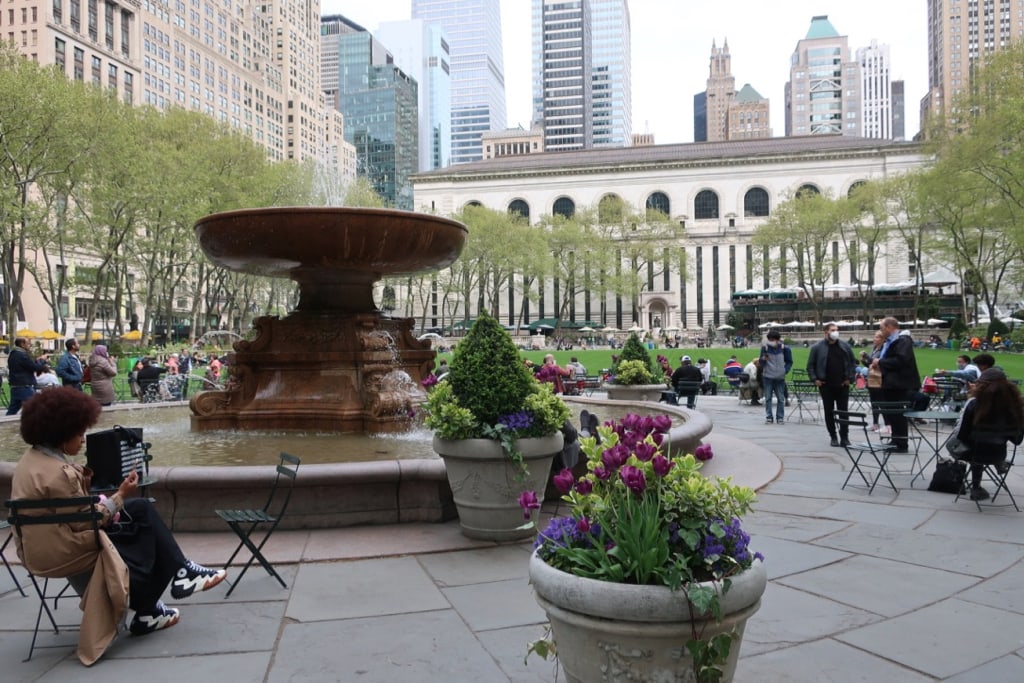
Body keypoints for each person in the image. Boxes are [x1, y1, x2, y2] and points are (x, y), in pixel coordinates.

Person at [9, 387, 227, 665]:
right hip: (62, 549)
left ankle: (162, 595)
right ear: (61, 436)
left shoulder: (32, 461)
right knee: (142, 519)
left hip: (41, 546)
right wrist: (120, 495)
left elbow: (71, 511)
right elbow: (89, 519)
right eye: (79, 435)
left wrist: (105, 494)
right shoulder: (59, 474)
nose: (83, 441)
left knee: (139, 515)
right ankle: (171, 581)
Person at [950, 368, 1024, 501]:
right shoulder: (1015, 407)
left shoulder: (974, 404)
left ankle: (975, 485)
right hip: (999, 454)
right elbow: (1017, 440)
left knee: (960, 444)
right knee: (985, 444)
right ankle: (999, 465)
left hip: (973, 453)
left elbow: (962, 435)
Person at [872, 316, 921, 453]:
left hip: (899, 383)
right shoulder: (893, 341)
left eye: (882, 328)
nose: (881, 331)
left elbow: (901, 360)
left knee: (898, 413)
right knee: (893, 413)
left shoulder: (902, 341)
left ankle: (901, 443)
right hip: (891, 383)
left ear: (889, 327)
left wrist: (880, 362)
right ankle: (896, 439)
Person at [807, 323, 857, 447]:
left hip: (842, 384)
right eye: (833, 330)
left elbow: (852, 363)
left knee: (843, 412)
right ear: (826, 332)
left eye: (837, 330)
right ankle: (833, 436)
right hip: (826, 385)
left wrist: (850, 378)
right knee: (829, 412)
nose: (835, 332)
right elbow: (810, 366)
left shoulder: (845, 346)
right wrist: (815, 379)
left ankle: (844, 437)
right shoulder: (817, 347)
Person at [6, 337, 49, 415]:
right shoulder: (22, 355)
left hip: (15, 386)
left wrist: (37, 360)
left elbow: (27, 365)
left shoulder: (13, 354)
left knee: (12, 410)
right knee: (35, 408)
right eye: (28, 343)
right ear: (22, 344)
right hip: (24, 387)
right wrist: (42, 360)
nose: (30, 345)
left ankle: (3, 425)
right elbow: (35, 367)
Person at [759, 329, 793, 424]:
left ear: (777, 340)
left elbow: (789, 361)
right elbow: (761, 363)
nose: (772, 342)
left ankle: (780, 417)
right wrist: (763, 359)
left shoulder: (784, 349)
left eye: (773, 340)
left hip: (779, 377)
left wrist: (785, 370)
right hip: (768, 377)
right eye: (770, 339)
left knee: (781, 398)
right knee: (768, 398)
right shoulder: (765, 348)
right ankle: (769, 417)